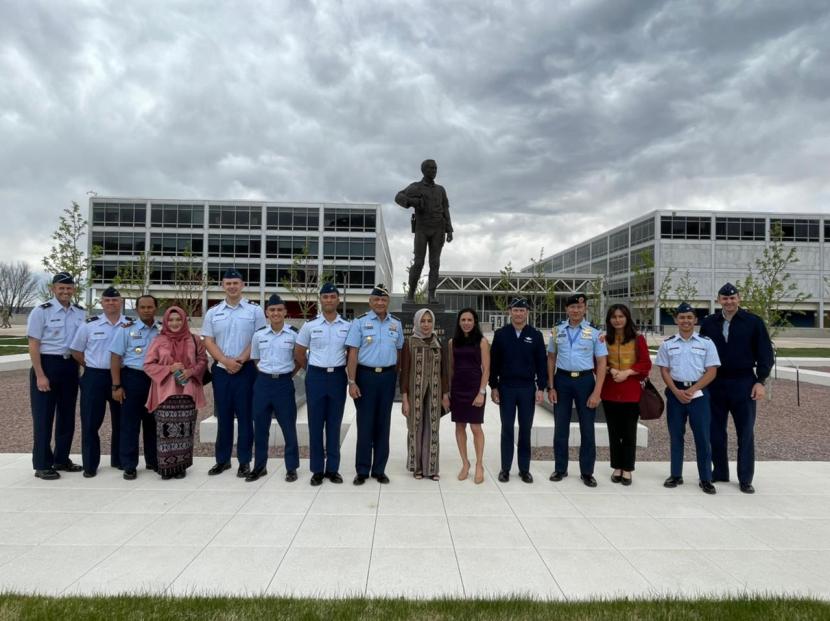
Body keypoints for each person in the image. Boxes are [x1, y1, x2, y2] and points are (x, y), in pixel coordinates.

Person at [700, 283, 774, 494]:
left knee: (745, 432)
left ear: (739, 299)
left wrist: (761, 381)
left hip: (744, 382)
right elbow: (702, 353)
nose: (729, 302)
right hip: (716, 382)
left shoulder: (753, 322)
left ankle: (745, 478)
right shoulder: (709, 323)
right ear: (718, 300)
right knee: (715, 431)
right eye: (724, 298)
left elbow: (765, 354)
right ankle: (720, 471)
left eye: (732, 298)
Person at [201, 268, 266, 477]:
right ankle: (222, 460)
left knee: (246, 417)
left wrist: (239, 360)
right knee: (224, 416)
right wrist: (224, 361)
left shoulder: (254, 311)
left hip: (245, 370)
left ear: (243, 285)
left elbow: (258, 338)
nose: (232, 287)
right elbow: (208, 341)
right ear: (223, 286)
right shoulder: (213, 312)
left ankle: (244, 461)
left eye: (235, 283)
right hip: (221, 370)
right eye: (228, 283)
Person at [655, 303, 721, 495]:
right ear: (676, 320)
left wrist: (692, 390)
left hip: (698, 394)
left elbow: (712, 371)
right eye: (682, 317)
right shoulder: (668, 344)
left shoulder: (706, 343)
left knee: (702, 437)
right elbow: (664, 370)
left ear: (695, 320)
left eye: (689, 317)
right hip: (675, 393)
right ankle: (676, 474)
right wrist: (675, 391)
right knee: (676, 436)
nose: (685, 321)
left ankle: (706, 478)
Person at [26, 272, 86, 480]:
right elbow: (34, 344)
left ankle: (61, 459)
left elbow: (81, 343)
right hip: (47, 365)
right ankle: (42, 464)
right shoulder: (41, 312)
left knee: (67, 417)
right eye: (61, 288)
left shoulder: (80, 313)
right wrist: (40, 374)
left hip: (70, 366)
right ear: (53, 289)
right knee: (43, 417)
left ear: (74, 290)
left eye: (69, 288)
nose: (65, 291)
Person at [345, 284, 404, 485]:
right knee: (365, 424)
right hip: (365, 377)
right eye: (376, 299)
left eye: (384, 300)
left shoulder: (396, 324)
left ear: (388, 302)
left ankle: (379, 469)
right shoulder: (359, 323)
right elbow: (352, 354)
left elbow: (399, 352)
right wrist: (352, 381)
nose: (380, 303)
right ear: (370, 302)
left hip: (387, 377)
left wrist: (394, 377)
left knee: (383, 424)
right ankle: (362, 470)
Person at [547, 294, 608, 487]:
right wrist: (551, 386)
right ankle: (560, 468)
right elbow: (551, 358)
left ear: (585, 310)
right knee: (560, 428)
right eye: (572, 307)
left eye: (579, 307)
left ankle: (587, 472)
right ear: (566, 309)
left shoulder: (595, 333)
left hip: (585, 381)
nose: (575, 310)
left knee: (587, 429)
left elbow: (601, 362)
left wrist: (597, 391)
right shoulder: (557, 330)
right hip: (562, 380)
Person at [295, 282, 350, 486]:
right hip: (316, 376)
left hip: (337, 377)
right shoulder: (310, 326)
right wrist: (310, 370)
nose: (329, 300)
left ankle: (333, 469)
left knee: (334, 424)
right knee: (315, 424)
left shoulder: (347, 326)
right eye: (325, 297)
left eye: (332, 296)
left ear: (338, 299)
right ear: (321, 300)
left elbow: (352, 353)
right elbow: (299, 352)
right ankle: (317, 470)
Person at [143, 306, 207, 479]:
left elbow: (203, 359)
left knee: (185, 430)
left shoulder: (193, 339)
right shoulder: (158, 340)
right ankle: (166, 467)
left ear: (184, 320)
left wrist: (191, 371)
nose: (175, 323)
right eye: (171, 320)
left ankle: (181, 467)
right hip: (165, 392)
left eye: (178, 319)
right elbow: (148, 365)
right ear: (165, 321)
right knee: (165, 431)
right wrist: (169, 368)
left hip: (187, 391)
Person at [70, 286, 127, 477]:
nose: (111, 303)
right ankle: (90, 464)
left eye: (115, 300)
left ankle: (119, 460)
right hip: (94, 377)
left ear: (121, 302)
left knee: (122, 421)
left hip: (121, 377)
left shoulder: (129, 324)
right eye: (107, 300)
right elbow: (76, 351)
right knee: (90, 422)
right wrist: (91, 365)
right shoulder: (89, 325)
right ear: (101, 303)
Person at [489, 297, 547, 484]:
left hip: (527, 388)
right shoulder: (501, 334)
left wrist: (541, 388)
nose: (519, 313)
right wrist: (494, 386)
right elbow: (494, 363)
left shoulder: (535, 335)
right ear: (510, 312)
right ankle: (505, 468)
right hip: (506, 387)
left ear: (527, 313)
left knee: (525, 429)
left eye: (522, 310)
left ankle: (524, 469)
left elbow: (541, 363)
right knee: (507, 429)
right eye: (515, 310)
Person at [248, 294, 301, 483]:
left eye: (279, 309)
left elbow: (298, 360)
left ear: (285, 312)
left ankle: (291, 468)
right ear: (266, 313)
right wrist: (267, 374)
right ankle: (260, 466)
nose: (276, 313)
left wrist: (285, 375)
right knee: (261, 428)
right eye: (272, 310)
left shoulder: (294, 334)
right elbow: (255, 359)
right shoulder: (259, 335)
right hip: (263, 384)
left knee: (288, 427)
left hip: (284, 384)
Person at [600, 304, 652, 486]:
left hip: (631, 391)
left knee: (629, 432)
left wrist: (628, 372)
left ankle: (627, 468)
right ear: (609, 320)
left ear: (627, 318)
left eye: (621, 316)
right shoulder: (604, 339)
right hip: (610, 391)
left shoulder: (638, 339)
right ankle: (616, 466)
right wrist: (611, 369)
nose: (617, 320)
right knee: (614, 432)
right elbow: (596, 361)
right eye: (614, 317)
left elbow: (645, 364)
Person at [110, 294, 160, 480]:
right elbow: (115, 357)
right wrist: (116, 385)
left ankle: (153, 460)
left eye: (150, 307)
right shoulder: (126, 330)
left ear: (156, 308)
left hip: (155, 381)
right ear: (137, 310)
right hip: (133, 378)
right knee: (130, 423)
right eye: (143, 307)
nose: (147, 310)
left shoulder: (162, 331)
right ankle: (129, 465)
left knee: (153, 422)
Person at [395, 159, 453, 303]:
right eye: (431, 168)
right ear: (424, 170)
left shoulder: (441, 189)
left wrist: (449, 229)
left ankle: (431, 295)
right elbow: (398, 197)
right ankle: (411, 294)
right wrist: (412, 202)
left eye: (435, 168)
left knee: (435, 263)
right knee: (419, 262)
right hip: (422, 228)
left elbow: (445, 209)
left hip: (438, 229)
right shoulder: (416, 187)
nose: (434, 171)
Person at [400, 308, 449, 480]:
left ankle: (432, 468)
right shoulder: (410, 343)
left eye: (429, 321)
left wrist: (445, 395)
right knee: (416, 427)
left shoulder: (438, 343)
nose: (426, 324)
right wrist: (405, 398)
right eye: (423, 321)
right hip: (415, 393)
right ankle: (417, 466)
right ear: (417, 322)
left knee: (433, 428)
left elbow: (444, 372)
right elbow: (404, 372)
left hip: (435, 392)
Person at [448, 307, 490, 484]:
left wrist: (481, 392)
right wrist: (449, 392)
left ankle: (479, 464)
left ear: (475, 322)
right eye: (463, 320)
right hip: (458, 388)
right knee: (459, 427)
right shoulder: (452, 342)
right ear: (459, 322)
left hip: (475, 388)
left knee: (475, 428)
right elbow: (450, 368)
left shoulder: (482, 341)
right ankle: (465, 463)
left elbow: (487, 369)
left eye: (469, 320)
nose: (466, 323)